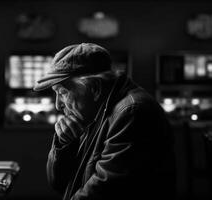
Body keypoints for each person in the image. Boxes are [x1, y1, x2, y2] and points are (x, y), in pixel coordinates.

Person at [33, 43, 176, 200]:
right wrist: (64, 144)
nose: (58, 105)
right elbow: (59, 184)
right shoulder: (93, 110)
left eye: (63, 92)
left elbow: (105, 190)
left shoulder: (132, 112)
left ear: (95, 88)